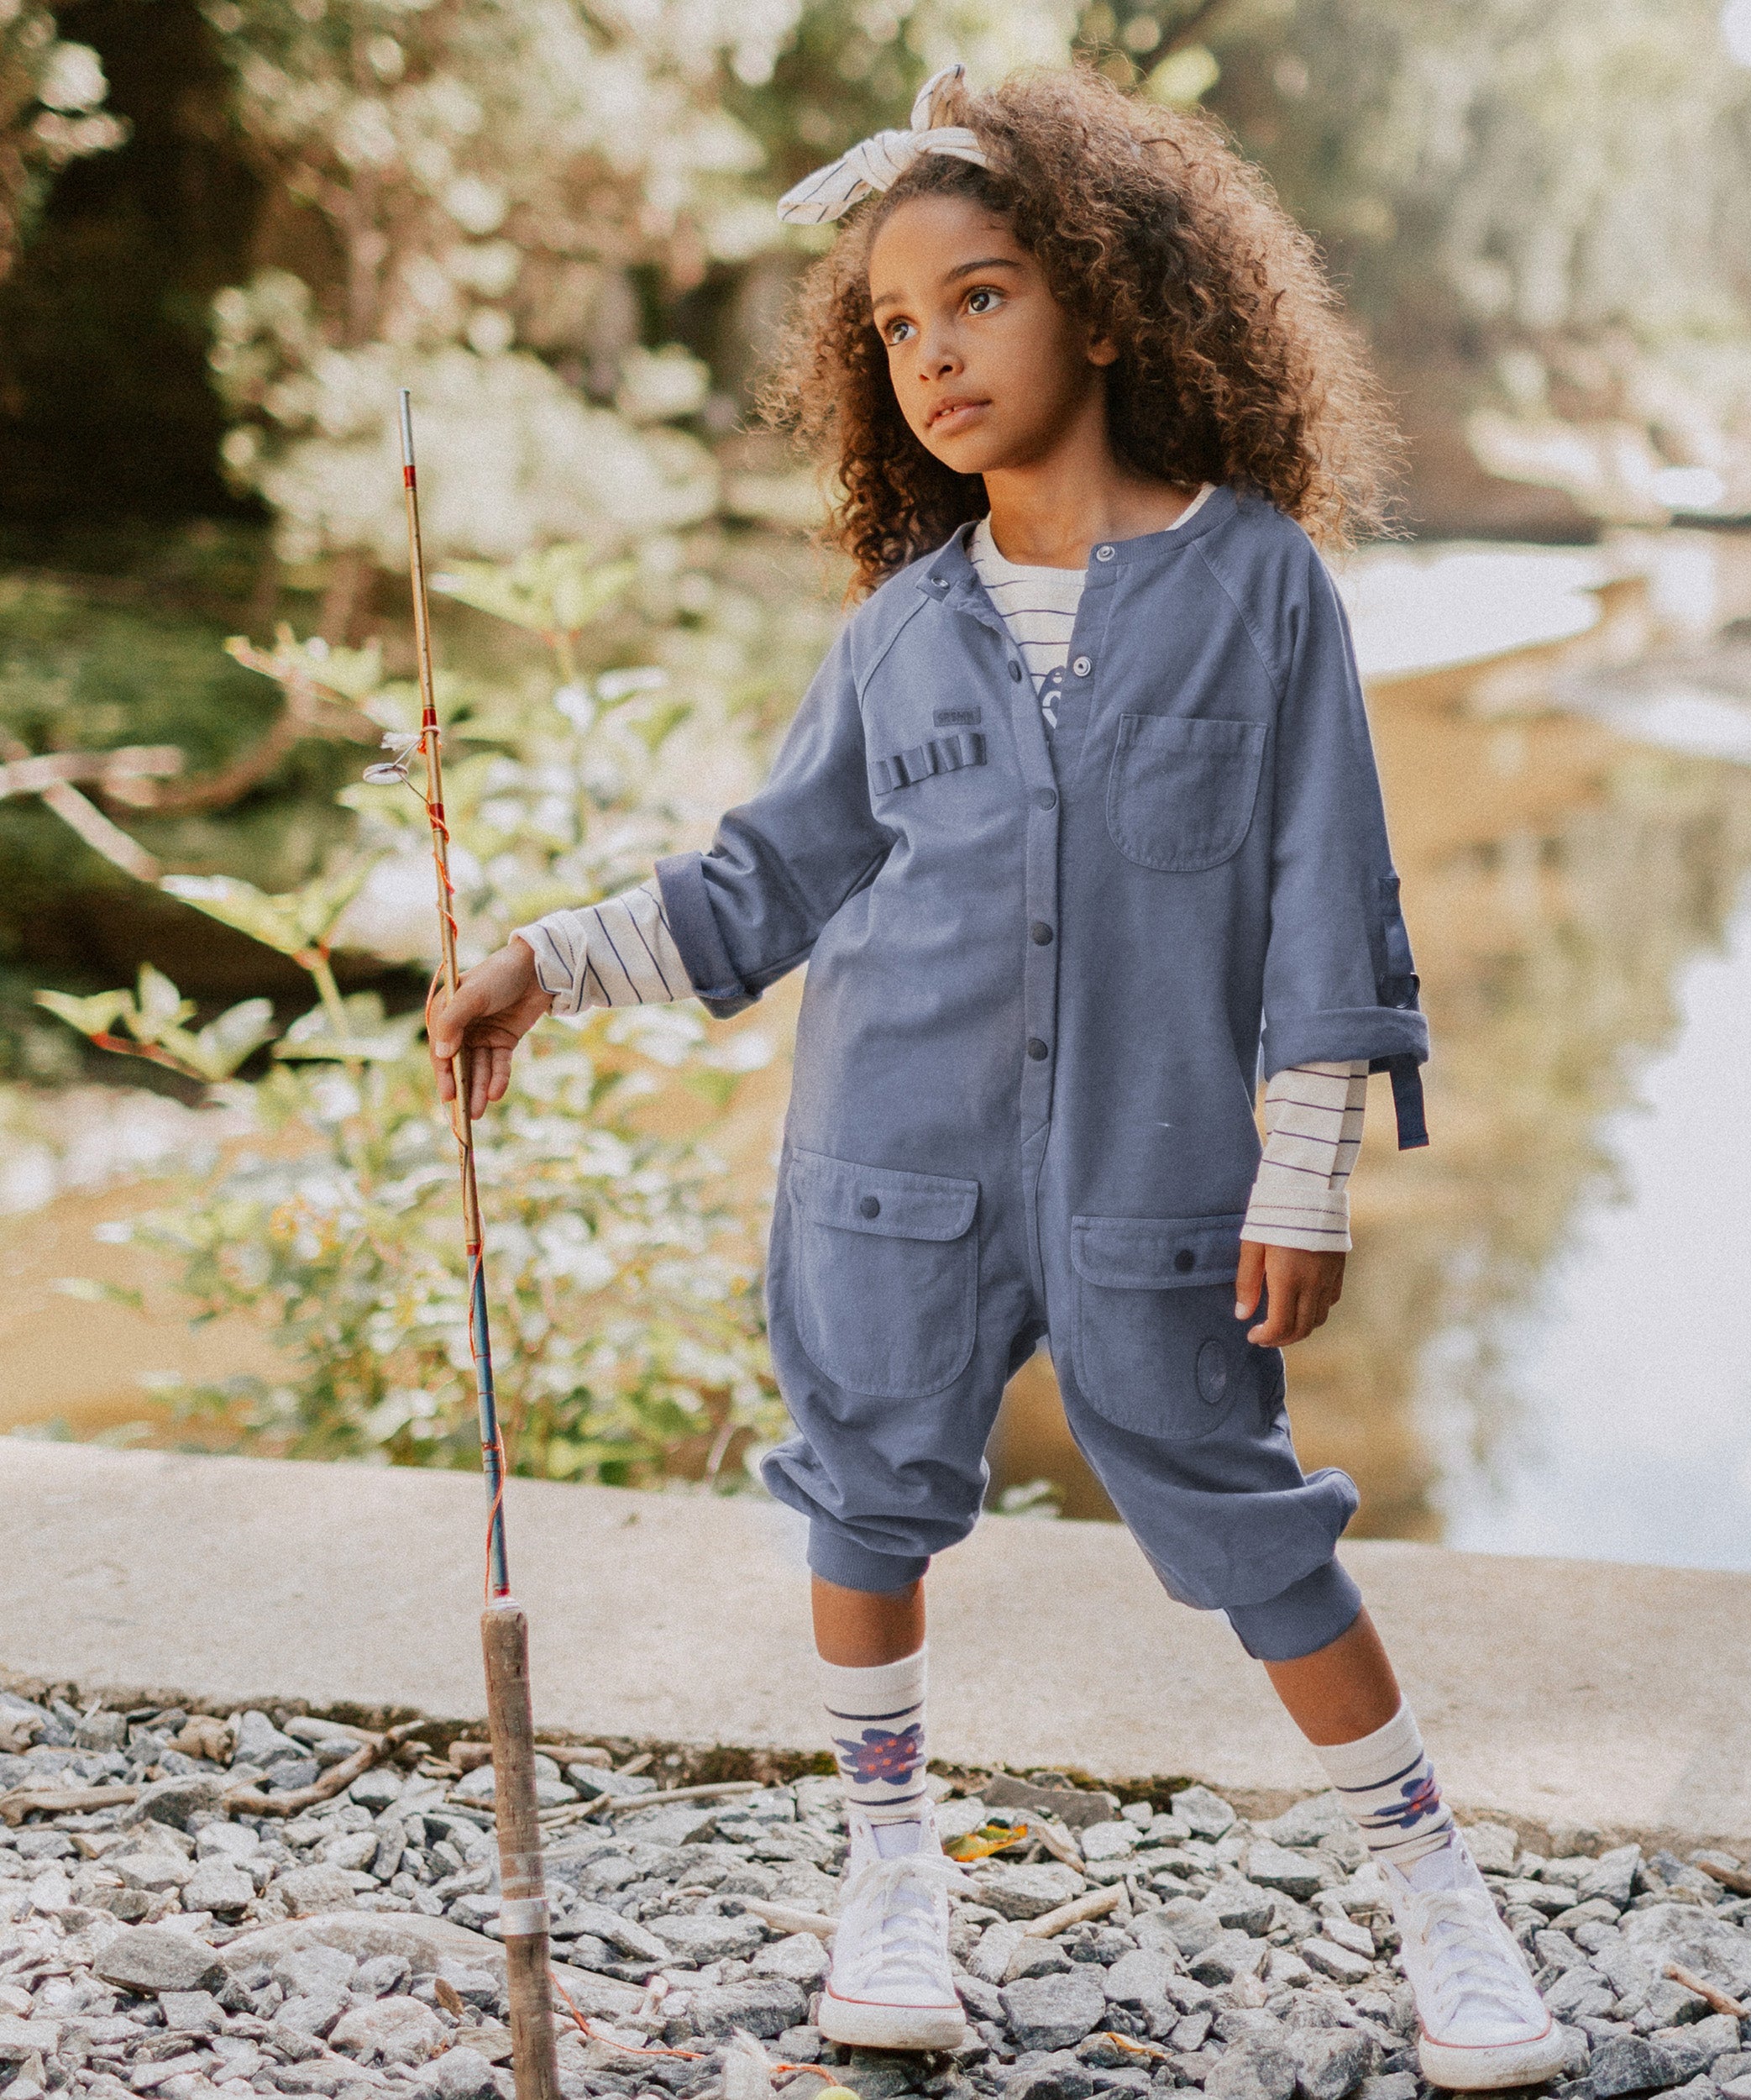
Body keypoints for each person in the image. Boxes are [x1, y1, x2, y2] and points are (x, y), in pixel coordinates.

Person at [428, 62, 1566, 2092]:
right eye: (892, 324)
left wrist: (1299, 1167)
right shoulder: (896, 634)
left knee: (1248, 1519)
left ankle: (1432, 1887)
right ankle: (886, 1871)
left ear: (1108, 306)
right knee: (864, 1497)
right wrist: (543, 960)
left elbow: (1325, 894)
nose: (933, 353)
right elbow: (766, 876)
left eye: (981, 297)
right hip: (891, 1163)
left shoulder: (1257, 588)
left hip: (1153, 1175)